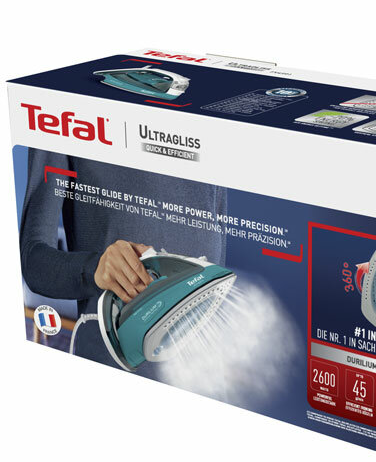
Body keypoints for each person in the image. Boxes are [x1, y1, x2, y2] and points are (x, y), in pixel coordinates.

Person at [20, 148, 227, 377]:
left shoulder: (209, 144)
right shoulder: (67, 129)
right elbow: (33, 260)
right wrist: (95, 268)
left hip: (200, 379)